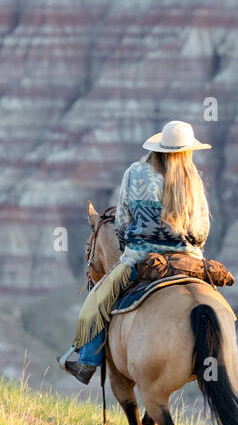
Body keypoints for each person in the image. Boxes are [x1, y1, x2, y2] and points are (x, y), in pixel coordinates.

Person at [58, 120, 212, 383]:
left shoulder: (135, 173)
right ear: (188, 151)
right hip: (189, 259)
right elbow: (201, 230)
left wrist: (131, 240)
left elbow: (123, 222)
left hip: (140, 257)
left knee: (96, 301)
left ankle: (87, 362)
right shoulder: (193, 179)